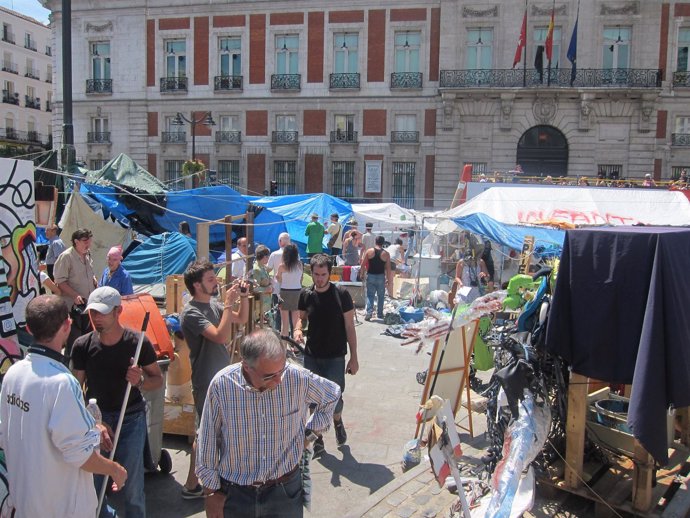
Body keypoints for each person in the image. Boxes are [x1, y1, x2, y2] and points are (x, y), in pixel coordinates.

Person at [0, 295, 127, 518]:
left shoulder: (13, 373)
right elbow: (80, 455)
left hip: (24, 503)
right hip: (59, 508)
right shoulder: (61, 382)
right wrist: (115, 469)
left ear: (28, 328)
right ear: (67, 325)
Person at [196, 329, 340, 518]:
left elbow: (332, 394)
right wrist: (211, 493)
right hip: (235, 495)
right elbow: (207, 441)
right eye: (269, 376)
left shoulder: (297, 378)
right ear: (246, 366)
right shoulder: (222, 385)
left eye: (281, 371)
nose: (279, 381)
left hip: (284, 492)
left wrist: (310, 434)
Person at [71, 287, 163, 518]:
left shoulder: (137, 342)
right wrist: (94, 422)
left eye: (102, 313)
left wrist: (140, 380)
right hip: (97, 420)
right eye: (93, 313)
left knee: (132, 485)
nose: (96, 318)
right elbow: (75, 391)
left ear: (118, 311)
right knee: (95, 485)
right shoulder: (82, 345)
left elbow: (157, 380)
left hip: (130, 418)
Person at [180, 260, 250, 499]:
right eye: (211, 279)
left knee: (217, 432)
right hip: (205, 379)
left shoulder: (213, 304)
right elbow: (220, 336)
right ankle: (192, 484)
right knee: (204, 433)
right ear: (197, 285)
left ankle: (200, 482)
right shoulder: (191, 312)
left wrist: (244, 297)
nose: (216, 282)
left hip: (220, 377)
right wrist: (229, 304)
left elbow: (240, 318)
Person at [295, 254, 359, 456]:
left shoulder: (341, 294)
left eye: (323, 274)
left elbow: (350, 327)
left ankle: (337, 421)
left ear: (329, 274)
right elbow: (301, 319)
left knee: (335, 399)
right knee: (313, 400)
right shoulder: (306, 295)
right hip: (312, 355)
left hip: (335, 356)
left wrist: (354, 357)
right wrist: (297, 329)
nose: (320, 278)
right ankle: (318, 438)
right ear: (311, 273)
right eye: (316, 274)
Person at [53, 228, 98, 355]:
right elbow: (60, 282)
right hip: (72, 309)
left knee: (88, 340)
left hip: (87, 306)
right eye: (84, 241)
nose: (88, 244)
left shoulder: (88, 254)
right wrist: (75, 295)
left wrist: (94, 280)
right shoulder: (66, 257)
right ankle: (71, 370)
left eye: (89, 240)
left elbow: (89, 272)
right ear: (76, 241)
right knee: (74, 344)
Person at [360, 236, 391, 321]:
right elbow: (388, 268)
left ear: (375, 241)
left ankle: (369, 312)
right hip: (381, 277)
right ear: (383, 243)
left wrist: (362, 274)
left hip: (371, 276)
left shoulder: (369, 251)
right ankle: (380, 314)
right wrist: (388, 279)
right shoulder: (386, 254)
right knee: (381, 296)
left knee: (370, 295)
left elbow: (363, 264)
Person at [276, 243, 303, 339]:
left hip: (285, 292)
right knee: (296, 321)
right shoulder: (300, 265)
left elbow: (278, 278)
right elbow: (301, 279)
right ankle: (296, 346)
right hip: (297, 292)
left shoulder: (282, 266)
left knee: (285, 322)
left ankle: (284, 347)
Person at [266, 232, 291, 332]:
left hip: (277, 287)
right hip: (291, 288)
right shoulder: (295, 255)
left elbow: (268, 269)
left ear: (280, 242)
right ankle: (289, 335)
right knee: (290, 313)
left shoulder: (274, 254)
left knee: (277, 313)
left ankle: (278, 334)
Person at [249, 245, 272, 318]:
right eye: (268, 256)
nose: (269, 258)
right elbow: (253, 288)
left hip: (265, 304)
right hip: (260, 305)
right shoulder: (256, 269)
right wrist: (267, 289)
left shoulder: (262, 267)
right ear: (265, 257)